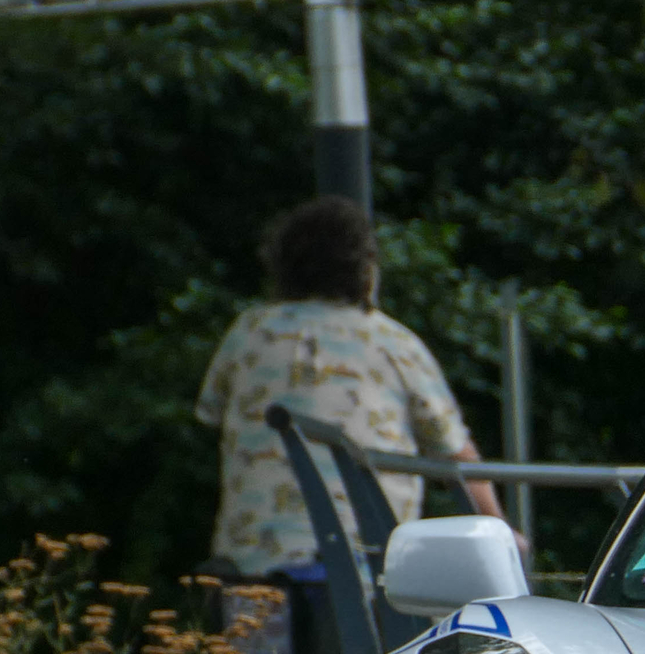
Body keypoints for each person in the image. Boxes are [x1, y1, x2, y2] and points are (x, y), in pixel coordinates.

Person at [195, 196, 511, 611]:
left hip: (251, 568)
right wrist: (503, 534)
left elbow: (211, 414)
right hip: (369, 573)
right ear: (364, 270)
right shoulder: (393, 343)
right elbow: (458, 457)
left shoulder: (249, 332)